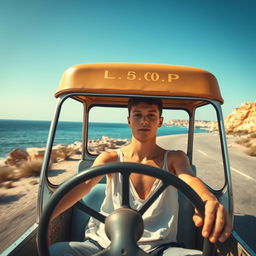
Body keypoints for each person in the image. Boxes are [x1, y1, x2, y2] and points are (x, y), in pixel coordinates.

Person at [50, 98, 232, 256]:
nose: (144, 120)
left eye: (151, 115)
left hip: (160, 249)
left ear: (160, 121)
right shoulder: (110, 158)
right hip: (101, 245)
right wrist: (47, 216)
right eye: (137, 115)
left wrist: (208, 199)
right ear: (129, 121)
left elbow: (189, 178)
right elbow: (83, 185)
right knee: (56, 251)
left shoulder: (175, 158)